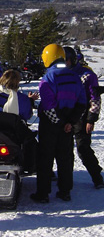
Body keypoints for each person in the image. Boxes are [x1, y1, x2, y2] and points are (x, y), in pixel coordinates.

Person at [30, 44, 86, 203]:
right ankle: (65, 191)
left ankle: (42, 194)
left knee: (45, 158)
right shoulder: (75, 76)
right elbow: (82, 102)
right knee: (65, 158)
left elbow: (48, 106)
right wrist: (70, 122)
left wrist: (61, 122)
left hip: (51, 123)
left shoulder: (48, 78)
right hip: (69, 123)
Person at [64, 46, 104, 189]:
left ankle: (97, 177)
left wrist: (91, 119)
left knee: (83, 149)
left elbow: (95, 98)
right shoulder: (62, 74)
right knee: (65, 150)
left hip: (81, 117)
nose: (64, 63)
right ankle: (66, 179)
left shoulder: (87, 75)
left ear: (73, 60)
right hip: (66, 117)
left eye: (66, 60)